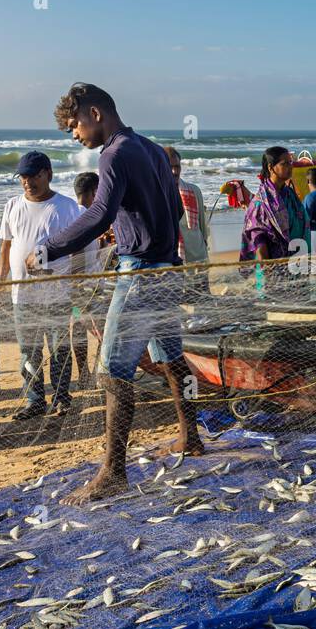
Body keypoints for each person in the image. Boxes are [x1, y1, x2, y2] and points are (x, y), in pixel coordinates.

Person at [29, 83, 202, 503]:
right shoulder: (151, 149)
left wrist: (47, 249)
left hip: (140, 273)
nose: (74, 136)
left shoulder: (114, 153)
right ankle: (191, 437)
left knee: (112, 371)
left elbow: (98, 213)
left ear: (95, 113)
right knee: (173, 359)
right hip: (166, 270)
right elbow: (174, 210)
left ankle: (113, 472)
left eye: (74, 126)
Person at [0, 151, 81, 420]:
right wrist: (1, 283)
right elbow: (6, 246)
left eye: (34, 175)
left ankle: (61, 398)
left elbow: (78, 250)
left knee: (59, 349)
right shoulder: (12, 205)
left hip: (57, 293)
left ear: (49, 174)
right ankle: (34, 400)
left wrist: (77, 284)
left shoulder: (67, 207)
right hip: (22, 295)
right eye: (23, 177)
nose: (28, 182)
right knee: (28, 350)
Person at [240, 146, 310, 289]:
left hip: (297, 263)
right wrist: (268, 274)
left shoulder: (290, 195)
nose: (290, 167)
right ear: (271, 167)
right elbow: (258, 242)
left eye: (291, 162)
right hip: (273, 274)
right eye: (285, 164)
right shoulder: (260, 204)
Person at [69, 171, 111, 388]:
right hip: (87, 290)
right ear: (95, 191)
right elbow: (78, 254)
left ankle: (84, 373)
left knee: (77, 327)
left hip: (78, 290)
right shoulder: (87, 216)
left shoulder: (72, 213)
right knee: (100, 329)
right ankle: (101, 372)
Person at [165, 146, 211, 300]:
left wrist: (203, 249)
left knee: (202, 300)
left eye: (177, 166)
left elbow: (203, 226)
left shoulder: (193, 190)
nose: (174, 171)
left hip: (197, 257)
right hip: (172, 261)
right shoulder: (157, 195)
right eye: (169, 167)